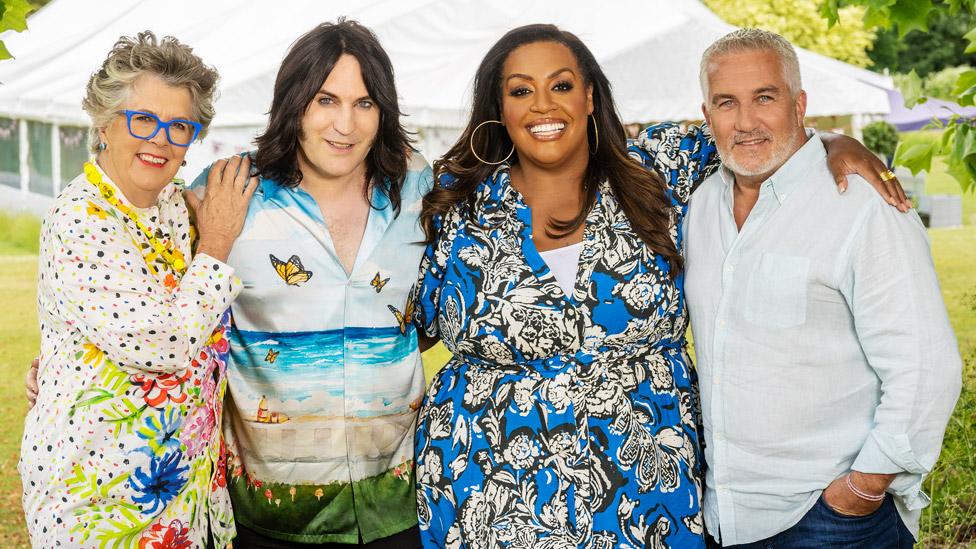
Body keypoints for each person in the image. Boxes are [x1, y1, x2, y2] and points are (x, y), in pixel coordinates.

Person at [411, 23, 903, 549]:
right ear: (499, 106)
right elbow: (405, 321)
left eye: (560, 86)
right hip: (485, 491)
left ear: (590, 96)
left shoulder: (660, 169)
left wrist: (832, 142)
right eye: (520, 91)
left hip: (647, 495)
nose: (542, 106)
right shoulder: (455, 200)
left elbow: (753, 131)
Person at [683, 28, 962, 548]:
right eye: (727, 103)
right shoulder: (697, 207)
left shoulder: (862, 205)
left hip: (834, 520)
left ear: (799, 103)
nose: (745, 121)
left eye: (765, 97)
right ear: (706, 115)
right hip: (724, 516)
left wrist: (863, 488)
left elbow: (925, 364)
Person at [189, 20, 429, 547]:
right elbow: (165, 305)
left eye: (365, 103)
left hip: (400, 508)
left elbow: (439, 309)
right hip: (271, 515)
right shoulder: (226, 191)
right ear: (293, 103)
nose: (346, 124)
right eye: (326, 99)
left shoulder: (419, 188)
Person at [20, 32, 255, 547]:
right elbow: (162, 344)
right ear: (104, 123)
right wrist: (217, 243)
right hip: (100, 503)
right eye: (143, 119)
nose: (160, 140)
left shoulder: (174, 207)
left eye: (179, 127)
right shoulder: (81, 217)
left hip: (179, 491)